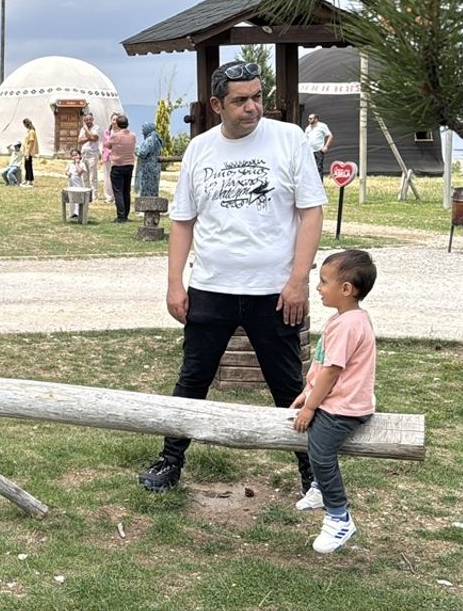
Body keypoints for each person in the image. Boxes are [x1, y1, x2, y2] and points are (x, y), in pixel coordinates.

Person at [139, 60, 326, 496]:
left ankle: (314, 473)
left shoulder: (289, 139)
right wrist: (174, 283)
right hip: (211, 287)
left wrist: (298, 279)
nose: (253, 107)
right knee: (192, 379)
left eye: (258, 97)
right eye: (241, 100)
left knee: (288, 387)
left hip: (273, 292)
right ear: (216, 104)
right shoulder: (200, 149)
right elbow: (183, 221)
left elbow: (310, 211)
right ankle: (170, 460)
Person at [291, 249, 378, 554]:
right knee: (315, 447)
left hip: (344, 408)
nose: (318, 287)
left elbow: (332, 372)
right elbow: (320, 365)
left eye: (324, 282)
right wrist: (307, 390)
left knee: (322, 451)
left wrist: (311, 407)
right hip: (336, 400)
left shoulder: (347, 325)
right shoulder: (344, 319)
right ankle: (318, 488)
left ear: (346, 289)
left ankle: (339, 517)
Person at [104, 115, 136, 222]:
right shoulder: (132, 135)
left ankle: (121, 216)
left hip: (118, 165)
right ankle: (126, 214)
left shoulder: (115, 136)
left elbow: (107, 145)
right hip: (129, 165)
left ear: (117, 124)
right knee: (126, 191)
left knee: (118, 191)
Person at [135, 121, 163, 197]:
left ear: (148, 129)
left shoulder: (150, 139)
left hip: (148, 169)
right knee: (153, 189)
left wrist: (136, 148)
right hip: (154, 167)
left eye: (143, 129)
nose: (141, 131)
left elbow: (142, 152)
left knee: (146, 191)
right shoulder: (156, 138)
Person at [78, 112, 102, 199]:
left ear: (92, 119)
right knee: (85, 175)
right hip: (84, 154)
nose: (88, 121)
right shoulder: (82, 129)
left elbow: (95, 138)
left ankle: (94, 193)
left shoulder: (97, 128)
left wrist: (87, 130)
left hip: (93, 154)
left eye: (89, 119)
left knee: (93, 175)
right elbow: (80, 141)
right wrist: (89, 137)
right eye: (86, 120)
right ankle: (86, 191)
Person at [305, 113, 333, 177]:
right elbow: (305, 138)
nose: (309, 120)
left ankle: (319, 185)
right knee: (310, 168)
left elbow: (330, 136)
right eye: (308, 118)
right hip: (309, 151)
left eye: (311, 118)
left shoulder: (322, 126)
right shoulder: (308, 128)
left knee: (318, 168)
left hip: (318, 150)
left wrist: (326, 147)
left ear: (316, 119)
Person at [65, 148, 86, 220]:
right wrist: (68, 174)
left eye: (76, 155)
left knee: (78, 198)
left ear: (80, 155)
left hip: (78, 185)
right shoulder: (70, 164)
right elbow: (66, 171)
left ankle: (78, 213)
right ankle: (72, 213)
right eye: (73, 156)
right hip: (71, 184)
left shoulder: (82, 164)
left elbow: (80, 172)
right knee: (71, 198)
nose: (74, 157)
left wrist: (77, 163)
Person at [102, 114, 117, 203]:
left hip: (117, 157)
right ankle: (109, 196)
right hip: (108, 156)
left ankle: (116, 196)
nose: (114, 122)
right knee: (107, 177)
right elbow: (106, 144)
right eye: (113, 119)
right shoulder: (107, 131)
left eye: (116, 120)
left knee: (115, 177)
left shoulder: (120, 132)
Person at [20, 118, 39, 187]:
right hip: (26, 151)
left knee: (28, 166)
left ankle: (30, 181)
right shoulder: (29, 131)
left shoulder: (31, 132)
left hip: (29, 151)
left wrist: (28, 153)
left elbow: (31, 142)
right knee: (26, 166)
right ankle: (26, 179)